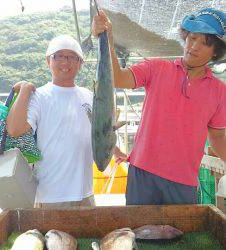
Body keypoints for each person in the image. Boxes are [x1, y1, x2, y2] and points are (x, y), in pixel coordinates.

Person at [92, 8, 226, 205]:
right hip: (142, 174)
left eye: (204, 43)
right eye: (192, 38)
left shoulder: (219, 91)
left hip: (184, 181)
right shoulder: (156, 68)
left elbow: (218, 136)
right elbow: (118, 78)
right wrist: (108, 39)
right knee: (137, 233)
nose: (194, 47)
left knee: (181, 235)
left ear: (216, 52)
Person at [7, 35, 96, 208]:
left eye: (72, 57)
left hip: (86, 193)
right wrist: (25, 91)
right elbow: (14, 129)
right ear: (48, 60)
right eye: (59, 56)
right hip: (50, 196)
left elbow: (100, 132)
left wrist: (115, 151)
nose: (66, 62)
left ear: (80, 63)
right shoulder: (39, 96)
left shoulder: (90, 96)